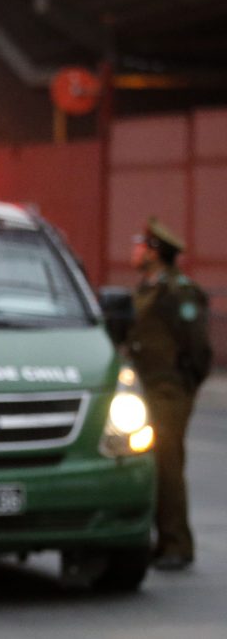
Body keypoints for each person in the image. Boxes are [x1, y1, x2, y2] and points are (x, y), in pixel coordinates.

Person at [126, 217, 212, 571]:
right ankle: (157, 540)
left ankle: (177, 543)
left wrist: (184, 383)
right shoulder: (146, 289)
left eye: (140, 245)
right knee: (146, 466)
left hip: (167, 390)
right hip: (143, 389)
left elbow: (197, 348)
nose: (134, 250)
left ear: (155, 253)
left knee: (167, 464)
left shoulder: (179, 291)